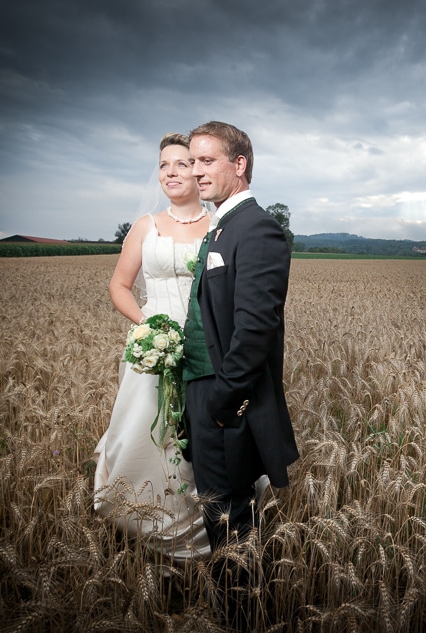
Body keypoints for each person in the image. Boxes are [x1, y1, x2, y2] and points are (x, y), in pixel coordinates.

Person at [93, 132, 213, 563]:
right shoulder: (146, 226)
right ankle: (144, 518)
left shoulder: (219, 226)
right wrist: (151, 329)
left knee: (198, 436)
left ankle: (206, 522)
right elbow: (120, 286)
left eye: (181, 164)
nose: (171, 172)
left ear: (199, 171)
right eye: (164, 165)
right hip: (154, 345)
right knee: (147, 431)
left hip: (205, 344)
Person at [181, 121, 299, 552]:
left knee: (231, 519)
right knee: (218, 513)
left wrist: (222, 404)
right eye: (192, 161)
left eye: (207, 161)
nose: (196, 171)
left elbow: (254, 330)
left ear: (240, 164)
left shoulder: (257, 229)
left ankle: (242, 612)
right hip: (204, 392)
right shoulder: (223, 227)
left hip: (226, 402)